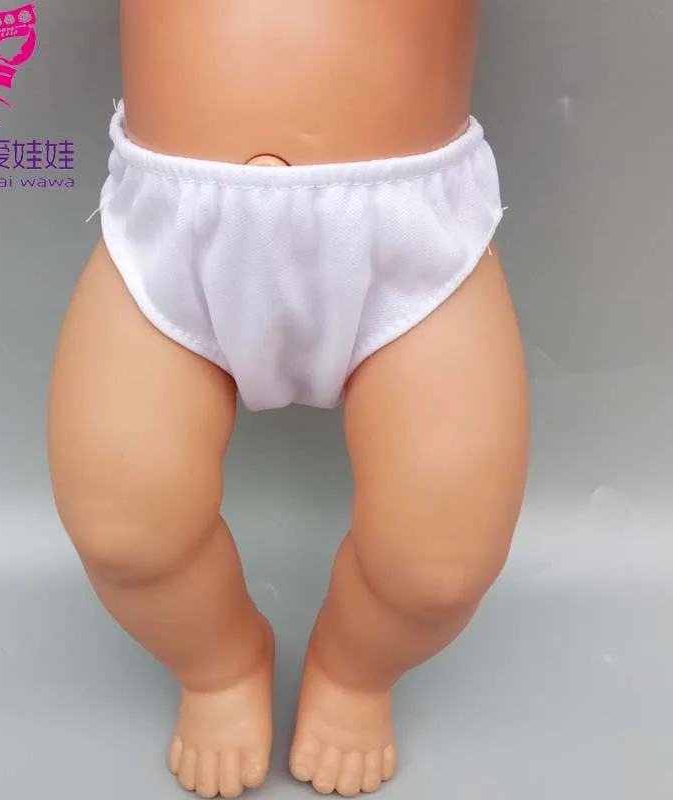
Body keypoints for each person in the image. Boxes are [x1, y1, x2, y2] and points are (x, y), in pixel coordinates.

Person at [48, 1, 530, 796]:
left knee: (437, 566)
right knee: (124, 529)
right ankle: (220, 665)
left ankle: (353, 671)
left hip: (408, 234)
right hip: (176, 223)